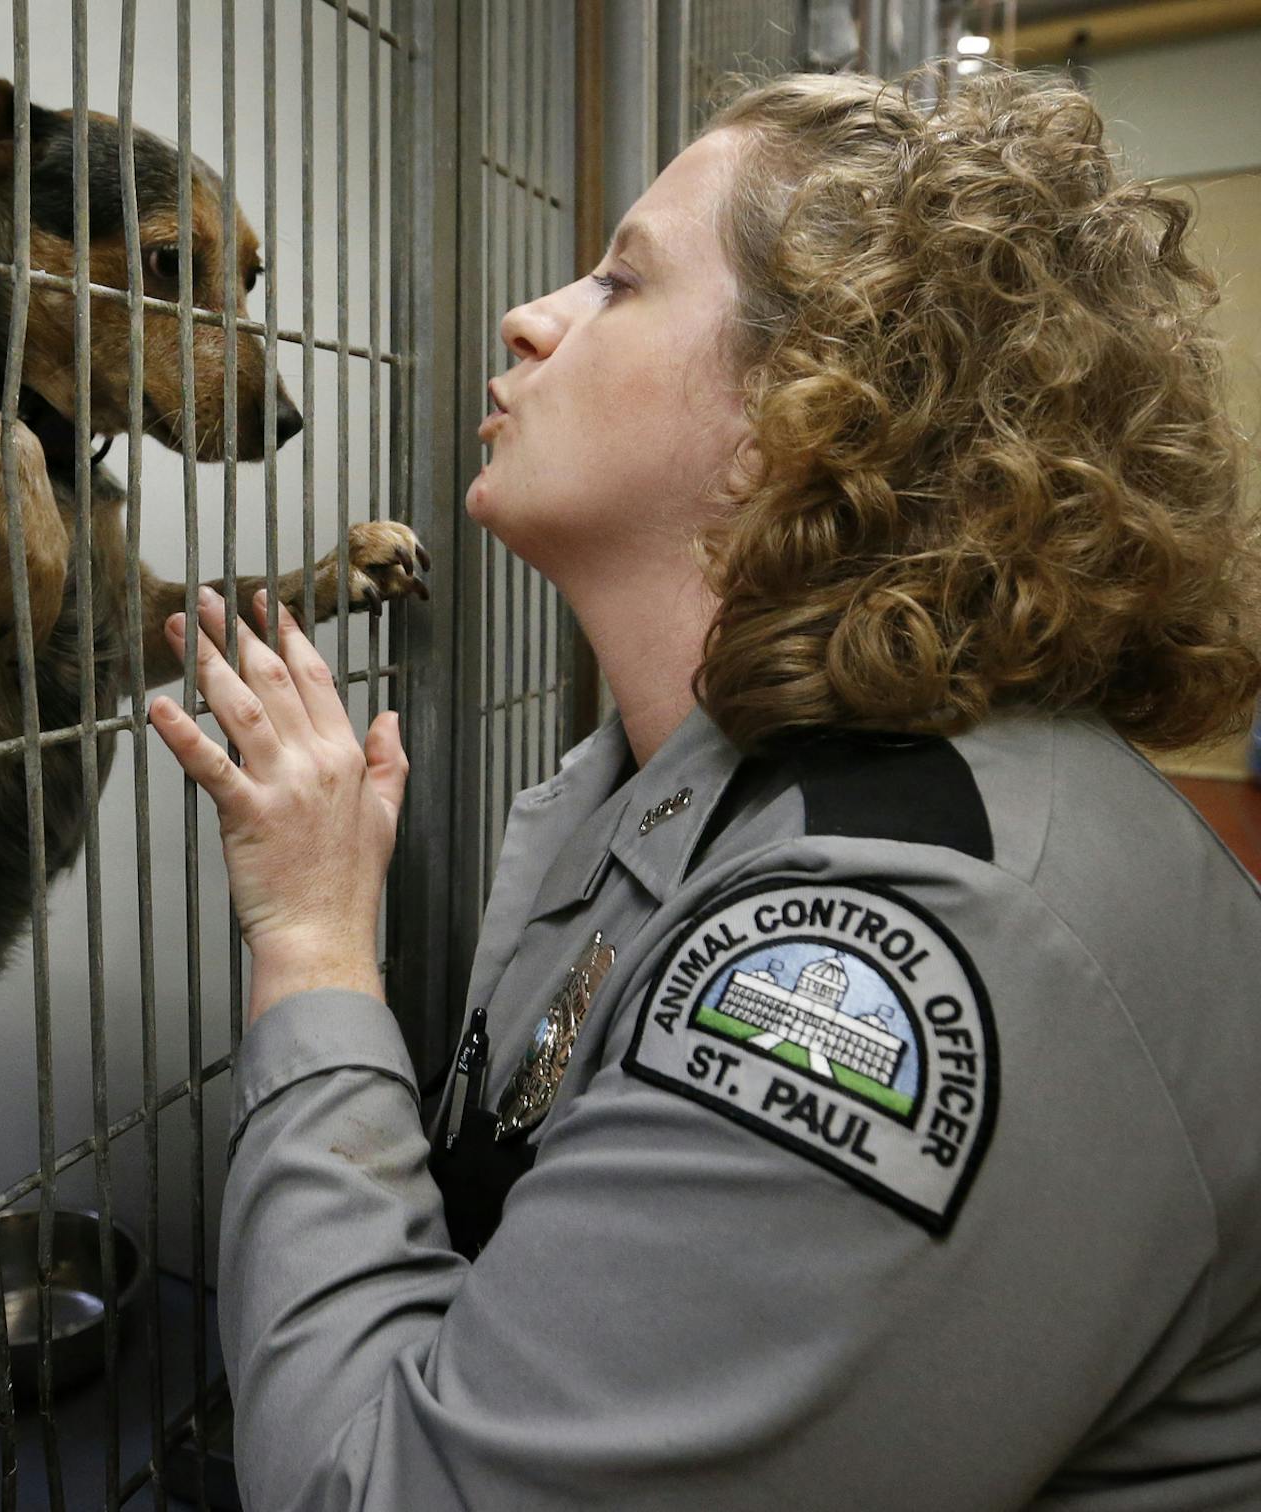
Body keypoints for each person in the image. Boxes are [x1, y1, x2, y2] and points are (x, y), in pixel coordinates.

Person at [147, 66, 1261, 1510]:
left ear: (813, 406)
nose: (530, 315)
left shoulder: (892, 933)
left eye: (620, 281)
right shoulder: (654, 787)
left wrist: (312, 944)